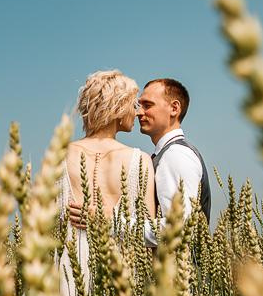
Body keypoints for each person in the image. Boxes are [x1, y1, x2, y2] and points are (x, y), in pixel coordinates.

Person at [58, 70, 156, 296]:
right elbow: (149, 232)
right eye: (132, 104)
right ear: (116, 108)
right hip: (123, 268)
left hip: (71, 269)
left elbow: (46, 222)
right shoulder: (140, 161)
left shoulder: (60, 156)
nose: (138, 112)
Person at [68, 77, 210, 244]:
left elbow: (180, 229)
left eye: (147, 105)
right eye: (138, 105)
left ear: (174, 108)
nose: (139, 112)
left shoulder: (176, 155)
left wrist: (111, 222)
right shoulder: (160, 156)